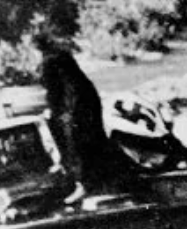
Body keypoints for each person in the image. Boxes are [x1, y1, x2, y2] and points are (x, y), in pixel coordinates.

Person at [41, 48, 139, 201]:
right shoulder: (72, 87)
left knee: (81, 143)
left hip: (85, 141)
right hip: (83, 140)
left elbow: (76, 126)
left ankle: (85, 184)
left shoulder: (77, 89)